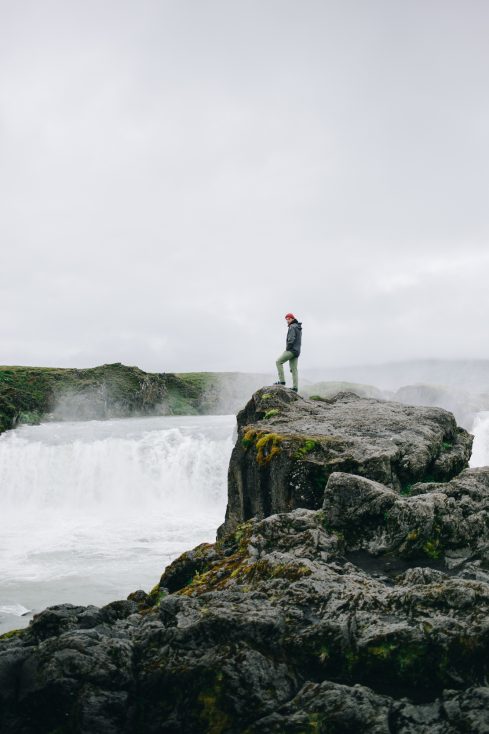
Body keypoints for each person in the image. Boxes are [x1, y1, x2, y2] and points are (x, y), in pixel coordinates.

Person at [275, 313, 302, 392]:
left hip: (291, 350)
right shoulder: (298, 327)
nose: (287, 320)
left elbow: (291, 339)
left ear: (292, 319)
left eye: (289, 319)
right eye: (286, 319)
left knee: (278, 361)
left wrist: (288, 348)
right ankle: (295, 388)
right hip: (297, 351)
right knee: (294, 369)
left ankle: (282, 381)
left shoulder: (292, 327)